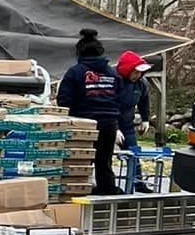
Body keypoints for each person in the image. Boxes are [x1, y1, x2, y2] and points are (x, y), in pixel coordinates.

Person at [56, 28, 122, 195]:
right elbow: (120, 98)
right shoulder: (113, 74)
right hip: (109, 125)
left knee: (79, 161)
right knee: (104, 163)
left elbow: (63, 100)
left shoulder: (75, 72)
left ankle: (77, 191)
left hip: (84, 124)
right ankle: (107, 194)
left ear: (79, 52)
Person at [116, 50, 156, 192]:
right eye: (135, 72)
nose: (138, 75)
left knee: (134, 154)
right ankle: (105, 184)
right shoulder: (116, 82)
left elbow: (144, 101)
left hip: (127, 125)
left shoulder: (141, 84)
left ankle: (138, 182)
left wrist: (145, 119)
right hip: (111, 123)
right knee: (105, 156)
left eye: (140, 73)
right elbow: (109, 105)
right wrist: (114, 128)